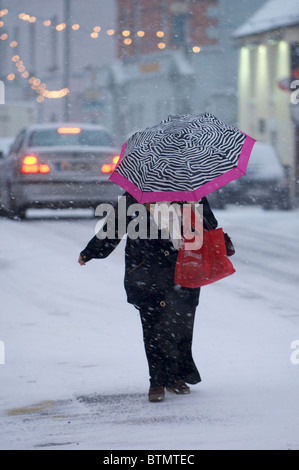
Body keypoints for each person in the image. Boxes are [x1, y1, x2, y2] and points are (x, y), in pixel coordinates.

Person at [78, 192, 218, 402]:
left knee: (180, 325)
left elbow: (210, 224)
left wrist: (184, 215)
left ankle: (176, 375)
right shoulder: (135, 195)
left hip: (183, 270)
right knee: (153, 327)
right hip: (146, 272)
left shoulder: (190, 194)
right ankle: (157, 381)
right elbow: (114, 227)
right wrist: (91, 252)